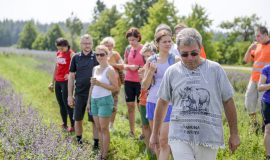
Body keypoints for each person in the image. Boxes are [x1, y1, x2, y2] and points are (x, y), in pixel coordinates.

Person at [150, 28, 240, 160]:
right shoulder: (172, 72)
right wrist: (154, 133)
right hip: (179, 134)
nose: (190, 58)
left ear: (200, 48)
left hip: (208, 135)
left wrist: (234, 133)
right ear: (178, 51)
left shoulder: (215, 69)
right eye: (184, 54)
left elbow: (228, 101)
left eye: (194, 53)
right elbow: (162, 102)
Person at [142, 30, 179, 160]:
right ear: (157, 44)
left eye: (170, 41)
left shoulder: (175, 59)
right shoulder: (151, 60)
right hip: (152, 101)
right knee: (156, 140)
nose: (168, 44)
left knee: (164, 140)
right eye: (164, 42)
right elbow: (144, 86)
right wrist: (151, 71)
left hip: (168, 103)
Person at [86, 45, 118, 160]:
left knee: (104, 129)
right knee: (98, 128)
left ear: (107, 55)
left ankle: (104, 155)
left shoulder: (110, 70)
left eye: (102, 54)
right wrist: (88, 102)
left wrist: (100, 84)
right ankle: (101, 151)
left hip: (105, 100)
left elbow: (115, 88)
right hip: (94, 100)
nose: (99, 57)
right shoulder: (95, 68)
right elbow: (92, 86)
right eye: (97, 54)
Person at [67, 34, 99, 146]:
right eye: (85, 43)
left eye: (89, 43)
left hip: (94, 94)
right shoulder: (75, 57)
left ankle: (96, 143)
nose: (87, 45)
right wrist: (70, 95)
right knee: (78, 118)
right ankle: (79, 140)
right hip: (79, 93)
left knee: (94, 120)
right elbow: (71, 77)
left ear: (92, 44)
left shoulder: (97, 56)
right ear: (80, 44)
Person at [244, 26, 270, 130]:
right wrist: (250, 48)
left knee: (263, 105)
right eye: (256, 36)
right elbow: (246, 60)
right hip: (253, 79)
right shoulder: (257, 46)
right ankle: (254, 124)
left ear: (266, 34)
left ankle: (264, 128)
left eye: (258, 36)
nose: (257, 38)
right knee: (248, 101)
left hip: (265, 82)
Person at [48, 38, 75, 132]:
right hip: (58, 81)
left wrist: (71, 75)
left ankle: (73, 125)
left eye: (62, 48)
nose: (60, 50)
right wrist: (52, 81)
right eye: (58, 48)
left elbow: (77, 66)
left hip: (66, 82)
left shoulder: (71, 54)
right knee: (61, 104)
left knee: (68, 103)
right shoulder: (58, 53)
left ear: (66, 45)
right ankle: (64, 123)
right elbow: (56, 67)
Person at [123, 27, 145, 136]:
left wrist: (139, 67)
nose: (131, 42)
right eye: (129, 40)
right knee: (130, 106)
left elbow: (148, 65)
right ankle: (132, 131)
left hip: (140, 82)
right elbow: (124, 64)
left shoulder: (144, 49)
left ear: (138, 38)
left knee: (141, 107)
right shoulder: (127, 49)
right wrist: (129, 67)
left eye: (133, 40)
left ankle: (143, 131)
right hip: (128, 81)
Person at [100, 37, 124, 131]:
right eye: (106, 45)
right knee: (103, 103)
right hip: (103, 83)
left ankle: (111, 125)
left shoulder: (115, 54)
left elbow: (122, 65)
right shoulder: (100, 54)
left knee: (114, 104)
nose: (109, 47)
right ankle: (103, 123)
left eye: (110, 45)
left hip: (115, 83)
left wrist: (112, 65)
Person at [138, 42, 157, 153]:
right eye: (145, 56)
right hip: (144, 99)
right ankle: (149, 150)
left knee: (155, 127)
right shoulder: (143, 68)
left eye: (149, 55)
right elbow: (144, 86)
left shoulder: (160, 66)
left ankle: (157, 149)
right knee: (145, 126)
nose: (147, 58)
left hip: (155, 100)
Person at [258, 64, 270, 160]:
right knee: (268, 129)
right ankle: (268, 156)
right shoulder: (267, 68)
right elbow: (260, 87)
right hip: (268, 102)